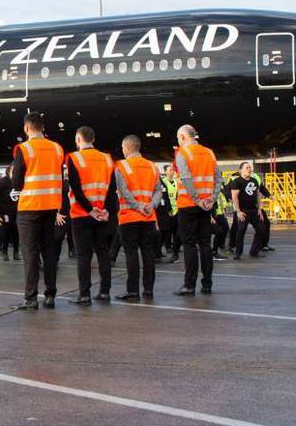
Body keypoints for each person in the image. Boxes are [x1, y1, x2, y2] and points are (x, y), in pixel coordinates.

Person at [10, 112, 64, 310]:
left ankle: (31, 297)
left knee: (30, 252)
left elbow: (16, 181)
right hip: (50, 206)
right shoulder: (57, 148)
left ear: (26, 128)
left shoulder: (24, 148)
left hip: (30, 207)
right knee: (49, 251)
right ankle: (50, 295)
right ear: (43, 127)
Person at [64, 126, 117, 305]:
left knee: (84, 255)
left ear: (79, 139)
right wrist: (106, 210)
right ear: (93, 139)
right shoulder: (107, 159)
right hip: (102, 214)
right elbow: (111, 188)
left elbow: (76, 188)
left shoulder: (74, 158)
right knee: (103, 252)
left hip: (81, 214)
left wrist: (89, 209)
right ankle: (104, 292)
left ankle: (84, 294)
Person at [173, 124, 224, 296]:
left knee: (189, 245)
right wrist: (212, 198)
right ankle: (207, 284)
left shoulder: (183, 154)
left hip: (189, 204)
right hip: (207, 206)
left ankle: (189, 285)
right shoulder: (209, 153)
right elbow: (218, 177)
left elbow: (187, 179)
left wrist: (197, 200)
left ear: (183, 137)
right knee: (205, 244)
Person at [113, 135, 163, 301]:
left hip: (129, 216)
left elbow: (123, 191)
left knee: (131, 254)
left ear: (126, 148)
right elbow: (158, 191)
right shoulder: (152, 166)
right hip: (148, 217)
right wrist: (151, 205)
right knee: (148, 253)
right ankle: (148, 290)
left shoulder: (121, 166)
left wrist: (137, 206)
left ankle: (132, 290)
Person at [229, 161, 271, 259]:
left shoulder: (254, 181)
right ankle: (238, 253)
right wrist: (238, 212)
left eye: (250, 168)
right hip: (243, 211)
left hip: (254, 210)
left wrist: (259, 210)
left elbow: (258, 195)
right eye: (247, 168)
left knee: (262, 229)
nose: (249, 169)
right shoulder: (237, 182)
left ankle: (254, 251)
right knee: (241, 231)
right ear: (241, 170)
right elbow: (234, 197)